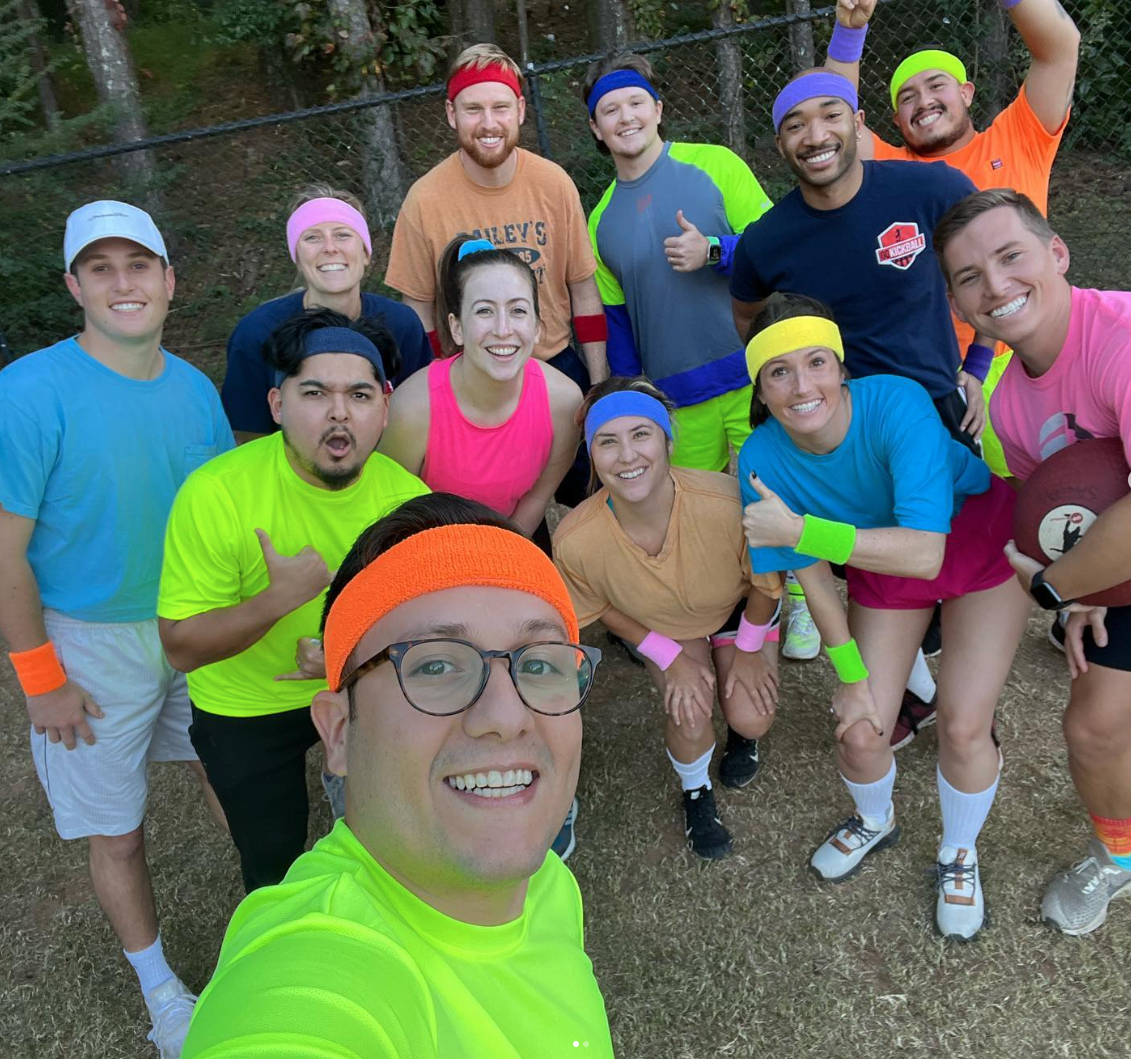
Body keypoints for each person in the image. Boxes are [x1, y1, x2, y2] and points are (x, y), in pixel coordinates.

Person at [181, 493, 614, 1058]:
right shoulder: (319, 965)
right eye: (435, 665)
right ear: (338, 733)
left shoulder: (550, 886)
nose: (506, 718)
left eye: (539, 664)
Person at [0, 201, 235, 1058]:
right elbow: (5, 555)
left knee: (233, 773)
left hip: (188, 621)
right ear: (74, 285)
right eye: (101, 268)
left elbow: (220, 519)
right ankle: (162, 992)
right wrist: (40, 676)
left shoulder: (194, 391)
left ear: (170, 280)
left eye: (139, 265)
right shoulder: (27, 392)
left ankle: (271, 925)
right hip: (90, 644)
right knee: (119, 827)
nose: (123, 283)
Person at [738, 293, 1028, 941]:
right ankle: (876, 819)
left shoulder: (895, 400)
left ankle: (958, 852)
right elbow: (812, 575)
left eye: (816, 361)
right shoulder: (758, 459)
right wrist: (848, 674)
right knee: (861, 728)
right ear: (760, 387)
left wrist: (803, 527)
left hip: (977, 543)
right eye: (778, 371)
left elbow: (926, 551)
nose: (802, 384)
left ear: (842, 366)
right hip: (878, 559)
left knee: (963, 725)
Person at [729, 69, 981, 738]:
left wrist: (979, 365)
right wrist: (794, 386)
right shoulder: (766, 241)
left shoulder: (928, 188)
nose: (816, 135)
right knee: (870, 576)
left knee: (941, 578)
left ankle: (964, 706)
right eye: (795, 125)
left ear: (857, 121)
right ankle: (909, 693)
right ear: (779, 144)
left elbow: (987, 266)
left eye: (830, 115)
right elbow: (750, 318)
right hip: (832, 434)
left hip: (926, 416)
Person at [935, 188, 1131, 935]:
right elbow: (1075, 515)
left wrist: (1058, 588)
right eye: (969, 277)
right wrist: (1091, 590)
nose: (994, 286)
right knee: (1094, 728)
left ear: (1056, 253)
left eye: (1010, 257)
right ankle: (1123, 858)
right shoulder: (1005, 407)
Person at [157, 308, 429, 892]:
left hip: (357, 683)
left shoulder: (407, 501)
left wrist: (346, 655)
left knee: (391, 831)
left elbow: (427, 623)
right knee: (272, 858)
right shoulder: (217, 494)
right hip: (246, 702)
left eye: (359, 394)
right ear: (277, 406)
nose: (338, 412)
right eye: (315, 393)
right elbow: (180, 646)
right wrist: (275, 600)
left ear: (384, 408)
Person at [829, 0, 1081, 477]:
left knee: (1064, 497)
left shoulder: (1018, 136)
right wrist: (849, 34)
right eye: (906, 98)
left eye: (936, 86)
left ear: (966, 93)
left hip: (1038, 350)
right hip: (933, 372)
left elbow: (1060, 48)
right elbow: (833, 124)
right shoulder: (890, 173)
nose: (923, 102)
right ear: (894, 122)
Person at [553, 377, 781, 859]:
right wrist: (667, 656)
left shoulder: (726, 502)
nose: (627, 456)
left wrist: (748, 651)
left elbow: (765, 584)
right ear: (592, 457)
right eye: (607, 442)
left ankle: (742, 734)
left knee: (751, 715)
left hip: (739, 612)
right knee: (689, 709)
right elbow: (601, 606)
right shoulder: (576, 538)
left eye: (641, 434)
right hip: (666, 628)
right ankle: (696, 791)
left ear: (668, 441)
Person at [583, 51, 772, 472]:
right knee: (697, 516)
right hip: (676, 400)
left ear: (658, 109)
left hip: (756, 376)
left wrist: (715, 251)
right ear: (597, 127)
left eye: (636, 103)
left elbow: (777, 246)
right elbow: (619, 326)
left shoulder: (715, 163)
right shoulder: (599, 223)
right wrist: (634, 398)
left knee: (783, 501)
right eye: (610, 110)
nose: (626, 117)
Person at [386, 43, 608, 397]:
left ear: (520, 110)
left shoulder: (553, 184)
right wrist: (433, 389)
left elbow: (583, 290)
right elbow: (418, 311)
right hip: (467, 378)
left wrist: (598, 384)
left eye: (500, 108)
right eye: (473, 109)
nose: (489, 124)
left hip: (552, 366)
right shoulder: (424, 200)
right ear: (451, 113)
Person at [382, 236, 583, 542]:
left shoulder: (565, 402)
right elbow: (392, 514)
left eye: (517, 311)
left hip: (514, 540)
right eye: (484, 311)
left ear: (537, 327)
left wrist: (499, 556)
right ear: (457, 327)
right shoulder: (412, 409)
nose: (503, 330)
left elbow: (537, 498)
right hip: (427, 549)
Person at [220, 184, 431, 441]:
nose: (330, 248)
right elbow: (248, 437)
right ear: (296, 257)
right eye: (312, 237)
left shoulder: (402, 324)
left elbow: (421, 419)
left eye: (343, 235)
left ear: (365, 253)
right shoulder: (257, 333)